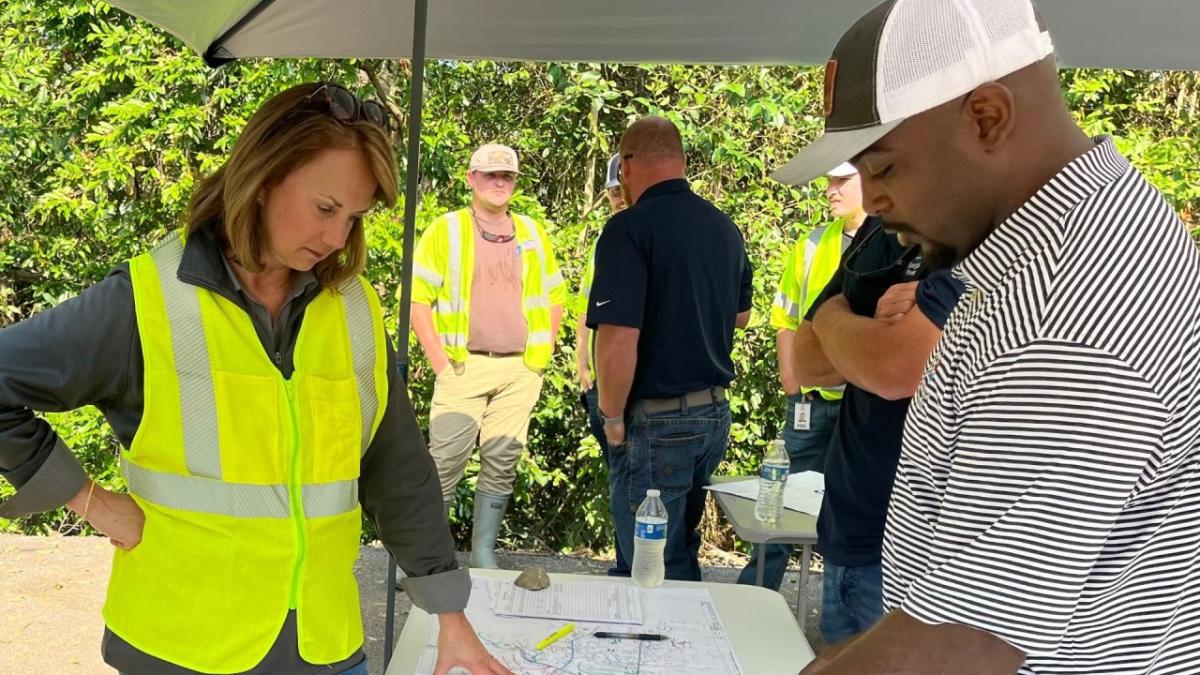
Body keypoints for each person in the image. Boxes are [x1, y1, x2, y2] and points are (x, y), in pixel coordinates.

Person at [0, 83, 510, 675]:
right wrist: (89, 501)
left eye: (353, 217)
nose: (336, 239)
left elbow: (396, 469)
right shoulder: (144, 300)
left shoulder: (354, 309)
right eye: (325, 208)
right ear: (263, 177)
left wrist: (450, 618)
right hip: (179, 649)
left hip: (325, 648)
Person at [778, 0, 1200, 672]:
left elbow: (958, 646)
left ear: (986, 116)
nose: (873, 201)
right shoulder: (1061, 248)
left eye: (882, 168)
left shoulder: (1072, 307)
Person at [588, 116, 753, 581]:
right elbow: (741, 316)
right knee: (678, 545)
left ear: (629, 164)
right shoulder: (724, 228)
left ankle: (661, 649)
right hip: (713, 414)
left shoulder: (629, 230)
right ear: (681, 162)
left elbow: (618, 337)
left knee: (651, 563)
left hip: (657, 419)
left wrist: (612, 416)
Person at [794, 216, 964, 645]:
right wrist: (867, 326)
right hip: (843, 529)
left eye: (884, 167)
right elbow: (807, 361)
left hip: (913, 554)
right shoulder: (874, 231)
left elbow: (893, 370)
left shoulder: (969, 238)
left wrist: (838, 317)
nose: (873, 194)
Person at [411, 143, 565, 569]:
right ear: (471, 179)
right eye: (491, 175)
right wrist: (440, 363)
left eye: (507, 176)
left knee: (502, 463)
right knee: (443, 465)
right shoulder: (447, 229)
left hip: (520, 368)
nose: (499, 182)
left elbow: (555, 295)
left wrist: (543, 351)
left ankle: (482, 555)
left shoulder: (532, 232)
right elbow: (417, 300)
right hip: (464, 365)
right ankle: (430, 561)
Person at [736, 162, 866, 590]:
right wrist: (791, 380)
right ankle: (755, 594)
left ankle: (845, 608)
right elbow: (785, 318)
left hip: (864, 406)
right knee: (780, 501)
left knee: (854, 510)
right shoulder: (812, 244)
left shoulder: (897, 245)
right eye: (828, 180)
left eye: (841, 180)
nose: (830, 189)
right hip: (810, 404)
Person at [575, 153, 630, 575]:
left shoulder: (643, 233)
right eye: (610, 191)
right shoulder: (605, 238)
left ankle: (632, 566)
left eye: (620, 189)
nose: (615, 197)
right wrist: (582, 362)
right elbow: (587, 308)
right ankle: (623, 561)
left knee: (631, 478)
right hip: (601, 378)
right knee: (618, 474)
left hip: (636, 382)